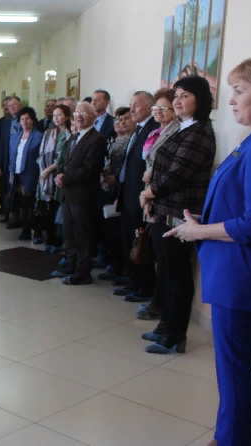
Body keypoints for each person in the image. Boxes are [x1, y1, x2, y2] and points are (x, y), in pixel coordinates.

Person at [163, 54, 251, 446]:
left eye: (240, 91)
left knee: (234, 369)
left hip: (238, 273)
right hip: (229, 269)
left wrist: (198, 231)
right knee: (230, 369)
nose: (232, 100)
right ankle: (227, 435)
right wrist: (203, 221)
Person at [140, 76, 216, 354]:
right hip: (164, 210)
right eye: (177, 96)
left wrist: (149, 193)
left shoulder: (199, 131)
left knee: (177, 274)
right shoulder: (183, 127)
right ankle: (165, 327)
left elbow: (176, 174)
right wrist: (151, 192)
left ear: (200, 100)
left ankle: (175, 335)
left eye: (186, 96)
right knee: (167, 270)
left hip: (179, 214)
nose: (178, 101)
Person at [131, 90, 181, 320]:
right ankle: (157, 300)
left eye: (164, 108)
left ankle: (161, 304)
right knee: (158, 256)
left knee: (167, 261)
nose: (158, 112)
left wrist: (149, 191)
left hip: (163, 200)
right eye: (156, 108)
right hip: (151, 197)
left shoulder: (176, 131)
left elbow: (168, 169)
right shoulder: (156, 132)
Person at [52, 102, 108, 285]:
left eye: (83, 113)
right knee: (69, 234)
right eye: (76, 113)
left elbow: (90, 169)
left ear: (93, 116)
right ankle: (71, 265)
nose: (78, 116)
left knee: (83, 236)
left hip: (83, 196)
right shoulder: (75, 136)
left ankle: (83, 272)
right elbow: (66, 163)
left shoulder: (97, 139)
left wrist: (66, 179)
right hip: (68, 194)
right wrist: (60, 175)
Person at [116, 91, 160, 301]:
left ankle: (144, 288)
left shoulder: (153, 129)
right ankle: (132, 281)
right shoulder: (138, 129)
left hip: (140, 198)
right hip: (128, 196)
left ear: (150, 107)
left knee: (141, 244)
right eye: (131, 104)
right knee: (128, 242)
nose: (132, 109)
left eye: (136, 105)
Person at [98, 107, 135, 283]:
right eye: (119, 119)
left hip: (122, 189)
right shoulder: (115, 139)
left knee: (120, 233)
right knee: (110, 231)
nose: (121, 123)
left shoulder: (132, 140)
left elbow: (127, 167)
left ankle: (123, 269)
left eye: (126, 118)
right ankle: (113, 264)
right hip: (109, 188)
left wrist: (116, 178)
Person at [4, 107, 44, 242]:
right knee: (19, 203)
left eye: (27, 118)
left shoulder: (39, 136)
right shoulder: (16, 137)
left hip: (31, 174)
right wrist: (11, 173)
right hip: (16, 175)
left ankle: (33, 230)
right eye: (22, 119)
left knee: (30, 204)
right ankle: (23, 227)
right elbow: (12, 156)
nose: (24, 122)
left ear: (32, 120)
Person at [37, 104, 73, 251]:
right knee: (46, 209)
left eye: (60, 115)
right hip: (45, 175)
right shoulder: (48, 132)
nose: (56, 118)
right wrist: (42, 171)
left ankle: (57, 241)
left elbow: (61, 159)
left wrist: (47, 171)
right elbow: (41, 154)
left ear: (67, 116)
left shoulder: (69, 134)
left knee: (56, 208)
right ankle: (49, 238)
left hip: (57, 174)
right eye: (54, 115)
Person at [0, 96, 22, 220]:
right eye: (9, 106)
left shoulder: (26, 120)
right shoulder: (5, 123)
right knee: (6, 188)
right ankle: (7, 212)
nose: (11, 108)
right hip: (6, 161)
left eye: (14, 105)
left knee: (18, 189)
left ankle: (18, 215)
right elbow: (1, 144)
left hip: (20, 162)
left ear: (20, 105)